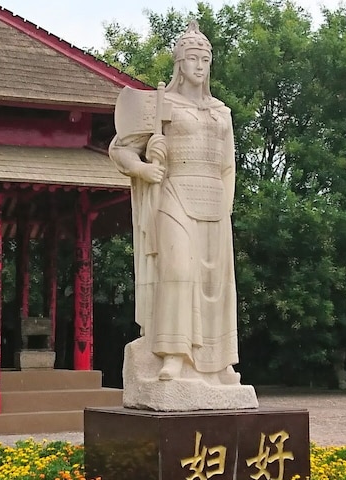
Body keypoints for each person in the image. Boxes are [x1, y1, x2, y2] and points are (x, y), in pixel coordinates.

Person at [109, 21, 241, 386]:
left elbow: (229, 166)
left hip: (214, 202)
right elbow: (120, 149)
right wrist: (145, 168)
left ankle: (218, 362)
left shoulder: (222, 112)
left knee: (215, 282)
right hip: (175, 194)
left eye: (205, 60)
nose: (200, 66)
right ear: (179, 63)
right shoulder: (162, 104)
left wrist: (225, 206)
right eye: (193, 59)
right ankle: (173, 354)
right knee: (179, 273)